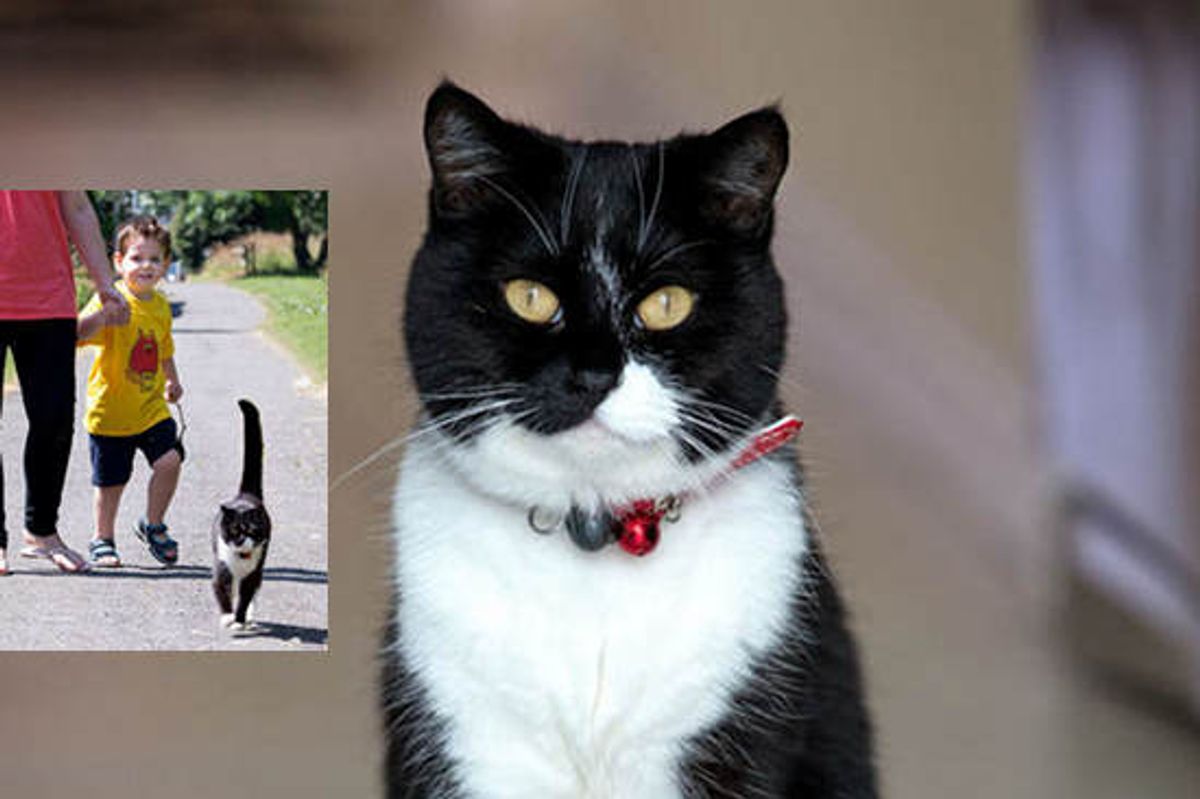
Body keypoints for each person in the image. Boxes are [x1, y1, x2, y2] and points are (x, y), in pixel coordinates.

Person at [0, 191, 127, 575]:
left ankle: (41, 531)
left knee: (54, 420)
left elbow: (78, 207)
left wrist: (106, 284)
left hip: (48, 297)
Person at [77, 216, 184, 568]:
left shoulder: (161, 306)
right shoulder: (110, 300)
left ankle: (153, 525)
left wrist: (172, 379)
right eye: (137, 258)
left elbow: (164, 348)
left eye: (155, 259)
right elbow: (76, 335)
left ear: (166, 265)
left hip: (151, 408)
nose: (146, 266)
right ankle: (102, 538)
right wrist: (104, 317)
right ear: (118, 262)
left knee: (170, 461)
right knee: (111, 484)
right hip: (111, 413)